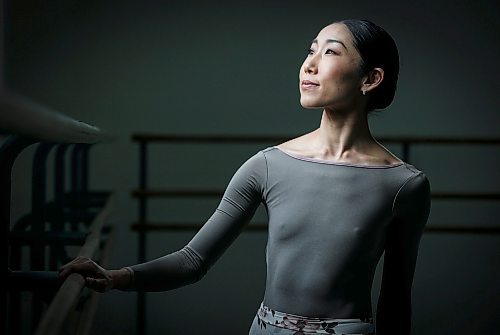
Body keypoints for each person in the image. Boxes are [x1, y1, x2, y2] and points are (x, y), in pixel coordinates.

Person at [59, 19, 431, 335]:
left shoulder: (404, 185)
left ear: (371, 78)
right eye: (310, 50)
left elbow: (396, 300)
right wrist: (115, 276)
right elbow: (193, 260)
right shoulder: (268, 165)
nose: (309, 65)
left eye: (330, 52)